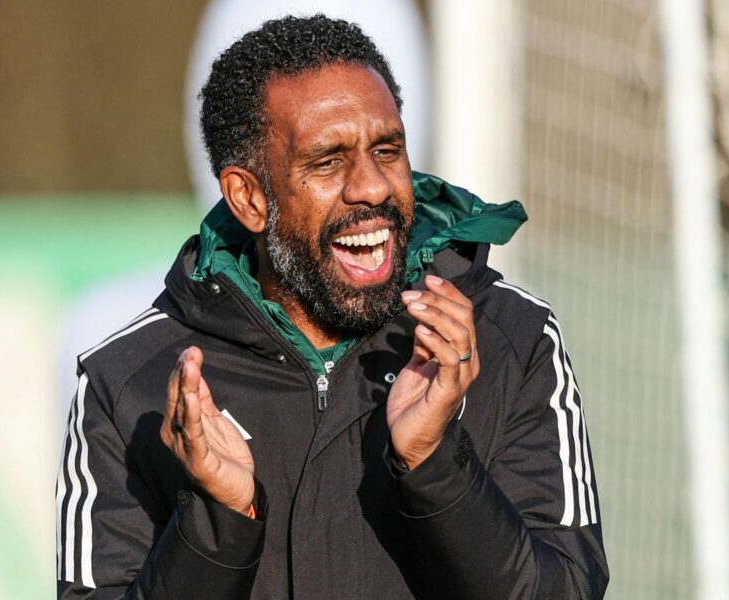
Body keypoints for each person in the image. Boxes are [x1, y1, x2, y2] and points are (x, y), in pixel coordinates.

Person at [56, 14, 608, 600]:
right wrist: (220, 521)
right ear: (249, 198)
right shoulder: (128, 385)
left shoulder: (512, 339)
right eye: (328, 161)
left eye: (387, 150)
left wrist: (437, 463)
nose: (372, 186)